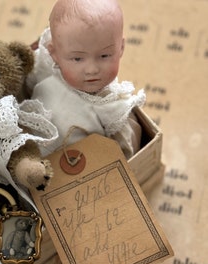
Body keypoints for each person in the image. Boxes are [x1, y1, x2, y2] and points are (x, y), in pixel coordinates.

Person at [27, 0, 146, 159]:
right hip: (27, 154)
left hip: (80, 175)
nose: (92, 69)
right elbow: (24, 86)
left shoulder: (112, 108)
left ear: (120, 49)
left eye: (104, 56)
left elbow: (127, 151)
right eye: (77, 59)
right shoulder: (46, 69)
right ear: (54, 53)